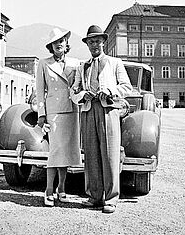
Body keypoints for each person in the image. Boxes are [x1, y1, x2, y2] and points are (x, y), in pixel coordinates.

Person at [71, 25, 132, 214]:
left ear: (103, 42)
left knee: (110, 153)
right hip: (88, 111)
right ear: (87, 44)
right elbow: (73, 91)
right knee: (91, 155)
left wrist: (110, 91)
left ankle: (111, 198)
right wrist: (82, 95)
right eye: (91, 42)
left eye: (97, 41)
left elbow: (126, 86)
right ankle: (94, 197)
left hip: (108, 110)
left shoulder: (115, 63)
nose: (94, 44)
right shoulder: (83, 66)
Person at [36, 27, 81, 207]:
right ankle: (48, 190)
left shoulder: (75, 63)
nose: (59, 44)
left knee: (67, 151)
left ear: (66, 43)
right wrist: (41, 114)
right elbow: (40, 91)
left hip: (72, 110)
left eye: (61, 41)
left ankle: (61, 188)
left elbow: (80, 85)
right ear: (51, 46)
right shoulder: (43, 63)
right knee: (55, 151)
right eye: (55, 42)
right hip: (54, 112)